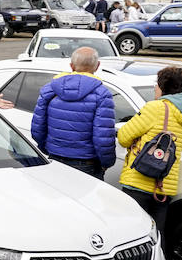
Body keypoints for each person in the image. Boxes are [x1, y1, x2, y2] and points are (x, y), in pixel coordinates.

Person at [118, 65, 182, 230]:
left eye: (157, 83)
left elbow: (124, 137)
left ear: (164, 87)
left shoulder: (155, 107)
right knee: (156, 235)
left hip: (139, 182)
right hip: (164, 187)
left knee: (132, 235)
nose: (155, 87)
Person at [30, 47, 118, 180]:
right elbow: (103, 136)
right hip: (86, 163)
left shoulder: (50, 90)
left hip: (55, 158)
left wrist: (47, 149)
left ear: (71, 66)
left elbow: (37, 128)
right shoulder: (102, 94)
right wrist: (106, 162)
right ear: (97, 66)